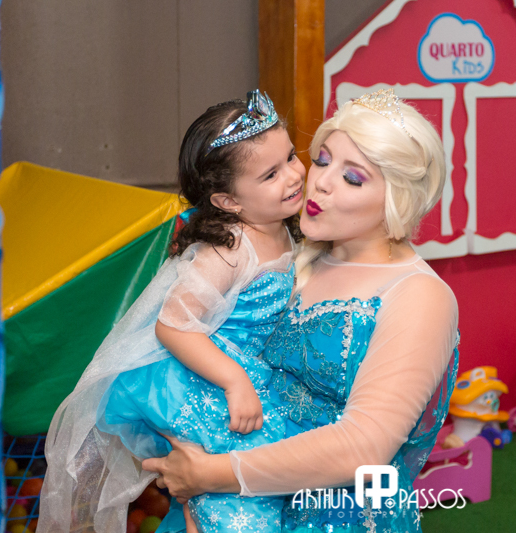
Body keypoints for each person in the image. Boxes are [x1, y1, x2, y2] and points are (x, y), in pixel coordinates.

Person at [143, 88, 460, 533]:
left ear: (398, 199)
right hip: (242, 495)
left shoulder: (420, 295)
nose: (319, 181)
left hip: (340, 517)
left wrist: (209, 475)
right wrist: (194, 461)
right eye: (323, 159)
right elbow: (199, 350)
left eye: (353, 178)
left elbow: (363, 449)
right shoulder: (292, 255)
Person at [38, 91, 306, 533]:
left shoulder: (282, 228)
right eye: (271, 174)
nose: (294, 174)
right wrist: (235, 381)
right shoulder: (230, 250)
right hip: (206, 381)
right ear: (228, 202)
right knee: (234, 507)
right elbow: (173, 326)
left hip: (256, 375)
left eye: (291, 156)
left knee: (259, 490)